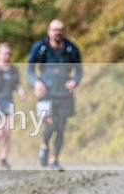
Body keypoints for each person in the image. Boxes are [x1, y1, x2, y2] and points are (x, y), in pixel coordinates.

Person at [27, 19, 83, 171]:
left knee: (60, 128)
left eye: (60, 30)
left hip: (64, 94)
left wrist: (74, 81)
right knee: (49, 126)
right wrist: (36, 83)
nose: (58, 33)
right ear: (49, 31)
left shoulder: (72, 48)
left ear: (64, 31)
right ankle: (44, 145)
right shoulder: (40, 48)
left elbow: (79, 70)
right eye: (54, 29)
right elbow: (30, 69)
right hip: (46, 94)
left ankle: (55, 159)